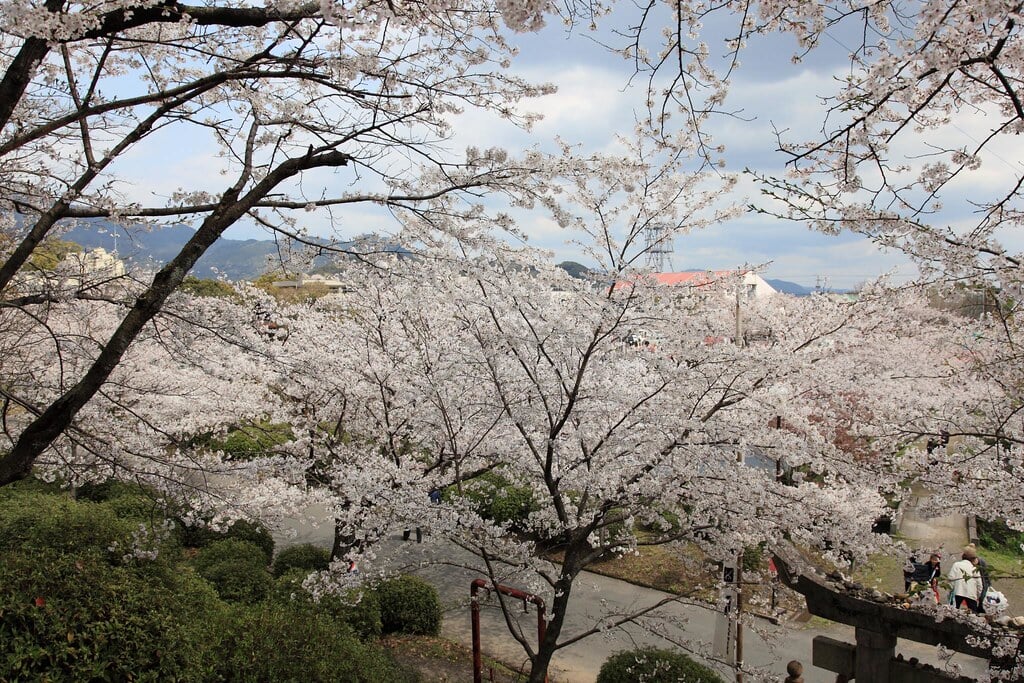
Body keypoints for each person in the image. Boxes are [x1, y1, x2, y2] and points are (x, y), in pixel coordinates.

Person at [948, 546, 983, 612]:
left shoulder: (956, 565)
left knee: (953, 613)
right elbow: (979, 585)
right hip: (971, 595)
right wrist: (977, 595)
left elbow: (951, 578)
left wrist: (951, 590)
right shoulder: (975, 569)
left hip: (957, 592)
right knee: (973, 615)